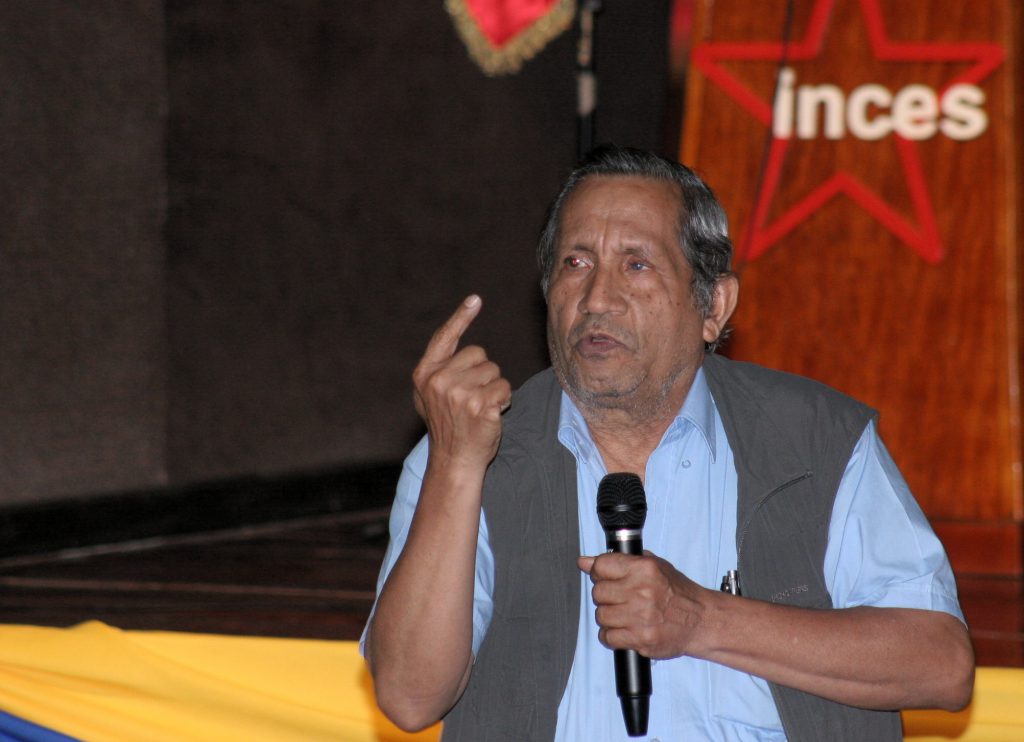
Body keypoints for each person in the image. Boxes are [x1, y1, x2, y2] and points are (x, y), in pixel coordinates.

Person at [362, 145, 974, 741]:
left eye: (637, 265)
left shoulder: (817, 439)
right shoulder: (467, 451)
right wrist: (457, 464)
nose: (597, 299)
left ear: (713, 305)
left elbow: (941, 665)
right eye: (576, 263)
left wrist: (701, 620)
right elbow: (410, 700)